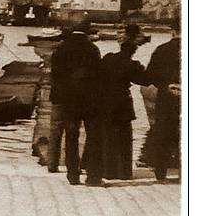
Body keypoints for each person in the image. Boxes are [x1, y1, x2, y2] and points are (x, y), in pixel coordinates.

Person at [50, 19, 104, 186]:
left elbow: (55, 76)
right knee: (93, 136)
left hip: (69, 101)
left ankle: (72, 174)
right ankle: (93, 176)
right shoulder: (92, 50)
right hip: (90, 100)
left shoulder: (61, 49)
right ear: (87, 33)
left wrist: (58, 97)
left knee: (71, 136)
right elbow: (98, 75)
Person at [98, 38, 148, 180]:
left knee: (107, 136)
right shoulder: (132, 65)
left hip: (106, 100)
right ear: (133, 52)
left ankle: (107, 169)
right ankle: (124, 172)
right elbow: (144, 80)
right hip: (122, 102)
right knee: (124, 138)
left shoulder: (108, 59)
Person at [144, 17, 181, 182]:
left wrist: (167, 85)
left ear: (172, 32)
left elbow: (150, 75)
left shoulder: (161, 50)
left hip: (167, 97)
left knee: (163, 134)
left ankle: (161, 173)